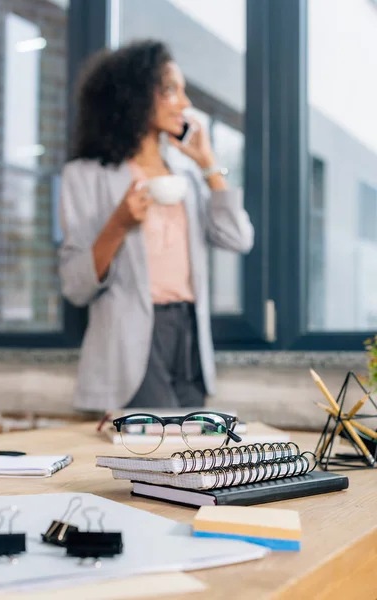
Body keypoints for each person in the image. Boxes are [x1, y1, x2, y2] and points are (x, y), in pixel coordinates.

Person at [59, 40, 254, 412]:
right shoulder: (85, 176)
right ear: (133, 95)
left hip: (189, 337)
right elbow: (75, 285)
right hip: (133, 340)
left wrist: (209, 164)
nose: (184, 103)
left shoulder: (187, 177)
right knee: (161, 457)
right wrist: (118, 224)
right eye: (170, 90)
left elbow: (239, 237)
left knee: (195, 458)